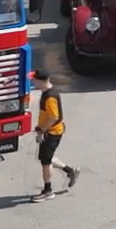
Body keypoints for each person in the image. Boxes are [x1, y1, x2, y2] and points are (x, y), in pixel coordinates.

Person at [29, 70, 79, 201]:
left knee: (45, 162)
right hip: (53, 131)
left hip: (51, 133)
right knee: (47, 157)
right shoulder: (48, 92)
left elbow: (53, 117)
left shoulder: (50, 96)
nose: (32, 81)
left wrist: (41, 131)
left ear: (40, 81)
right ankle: (70, 171)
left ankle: (48, 191)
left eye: (33, 80)